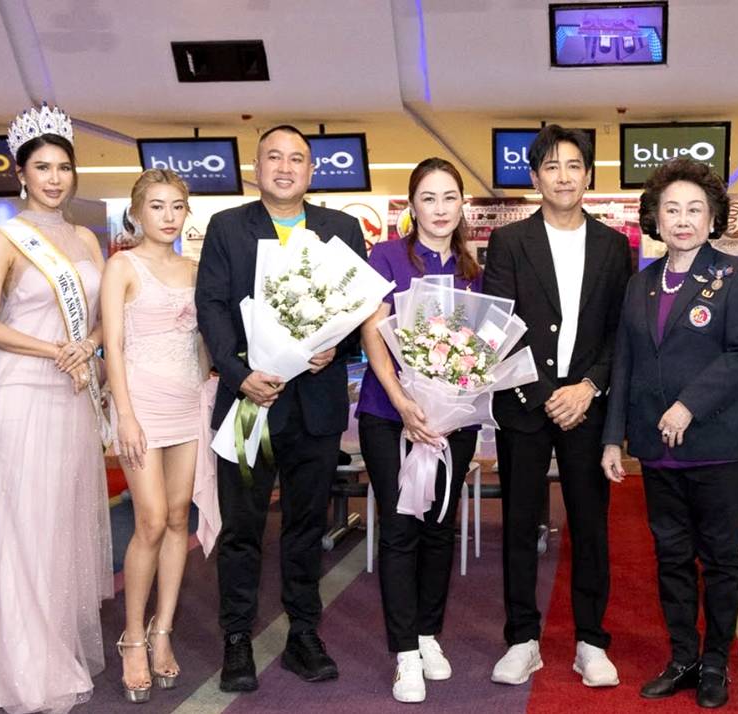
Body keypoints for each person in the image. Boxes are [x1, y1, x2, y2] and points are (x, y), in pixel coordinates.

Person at [195, 124, 367, 692]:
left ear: (312, 171)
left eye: (297, 158)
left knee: (305, 527)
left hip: (315, 406)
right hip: (251, 400)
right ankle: (237, 639)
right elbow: (212, 306)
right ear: (256, 167)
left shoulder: (341, 228)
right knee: (242, 529)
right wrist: (239, 375)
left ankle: (303, 634)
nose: (285, 167)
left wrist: (337, 347)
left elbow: (357, 309)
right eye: (274, 157)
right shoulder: (227, 228)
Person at [601, 158, 738, 708]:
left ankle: (715, 662)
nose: (683, 219)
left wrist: (688, 406)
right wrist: (613, 437)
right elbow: (624, 362)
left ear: (713, 218)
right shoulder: (641, 283)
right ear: (655, 218)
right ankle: (682, 658)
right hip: (657, 450)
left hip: (718, 446)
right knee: (671, 557)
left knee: (720, 559)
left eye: (695, 209)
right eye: (671, 209)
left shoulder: (737, 276)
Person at [483, 124, 631, 688]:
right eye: (551, 166)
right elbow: (499, 326)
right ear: (535, 177)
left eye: (574, 166)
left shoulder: (614, 246)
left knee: (590, 525)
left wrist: (588, 387)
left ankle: (591, 641)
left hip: (587, 404)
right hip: (526, 400)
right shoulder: (509, 242)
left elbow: (620, 332)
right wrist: (546, 394)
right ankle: (522, 640)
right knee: (520, 523)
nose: (563, 177)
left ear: (588, 175)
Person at [0, 104, 113, 713]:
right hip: (21, 394)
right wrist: (54, 349)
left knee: (60, 527)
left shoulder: (86, 238)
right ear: (21, 173)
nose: (54, 179)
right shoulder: (4, 239)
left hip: (71, 397)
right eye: (42, 168)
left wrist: (88, 345)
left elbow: (104, 318)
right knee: (22, 529)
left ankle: (52, 646)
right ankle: (18, 665)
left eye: (63, 167)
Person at [356, 157, 481, 703]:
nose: (439, 208)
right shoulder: (385, 256)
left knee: (439, 528)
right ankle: (404, 651)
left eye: (449, 197)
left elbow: (481, 348)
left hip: (452, 421)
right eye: (428, 198)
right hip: (389, 416)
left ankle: (429, 633)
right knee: (401, 528)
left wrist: (451, 405)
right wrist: (404, 402)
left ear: (462, 205)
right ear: (412, 206)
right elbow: (373, 334)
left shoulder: (474, 270)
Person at [101, 169, 206, 702]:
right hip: (141, 403)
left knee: (179, 517)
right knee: (150, 520)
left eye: (177, 206)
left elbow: (201, 343)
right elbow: (113, 347)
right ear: (137, 213)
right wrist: (124, 415)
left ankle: (162, 630)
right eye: (157, 206)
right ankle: (132, 638)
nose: (168, 216)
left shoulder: (196, 269)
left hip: (188, 402)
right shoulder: (122, 266)